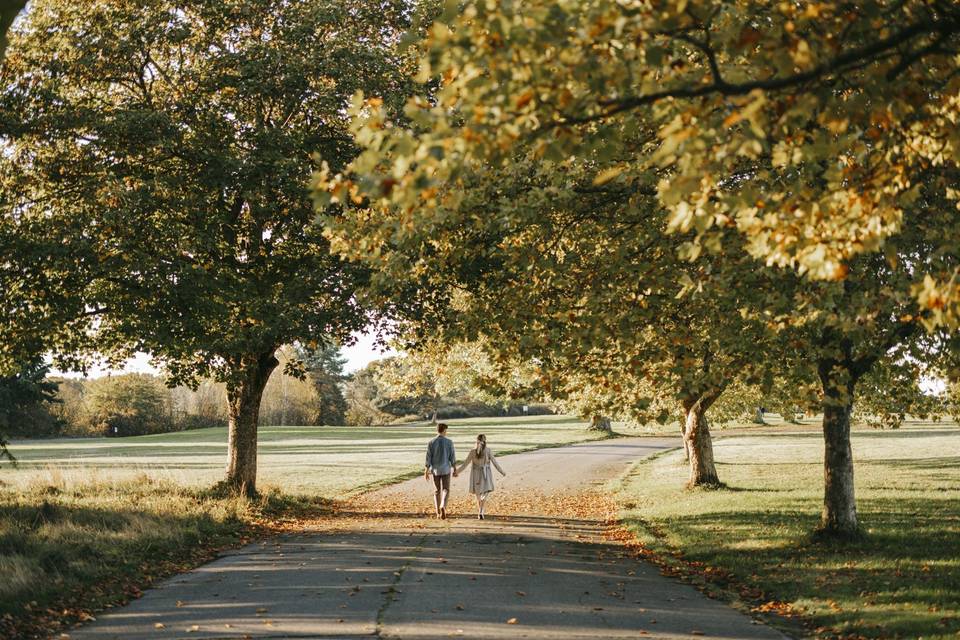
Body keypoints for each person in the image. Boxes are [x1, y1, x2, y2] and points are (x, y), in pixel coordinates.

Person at [455, 434, 506, 520]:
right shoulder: (488, 451)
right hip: (485, 474)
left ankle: (480, 511)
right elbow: (495, 463)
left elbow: (465, 464)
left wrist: (456, 472)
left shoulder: (472, 451)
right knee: (485, 492)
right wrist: (502, 472)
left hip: (476, 475)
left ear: (476, 441)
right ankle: (481, 511)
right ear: (485, 441)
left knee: (478, 494)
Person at [424, 422, 457, 519]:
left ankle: (438, 512)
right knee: (446, 489)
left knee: (436, 491)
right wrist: (455, 468)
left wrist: (426, 470)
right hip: (446, 469)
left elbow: (428, 457)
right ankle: (443, 505)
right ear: (444, 430)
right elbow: (452, 457)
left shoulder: (431, 442)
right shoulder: (449, 442)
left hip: (435, 470)